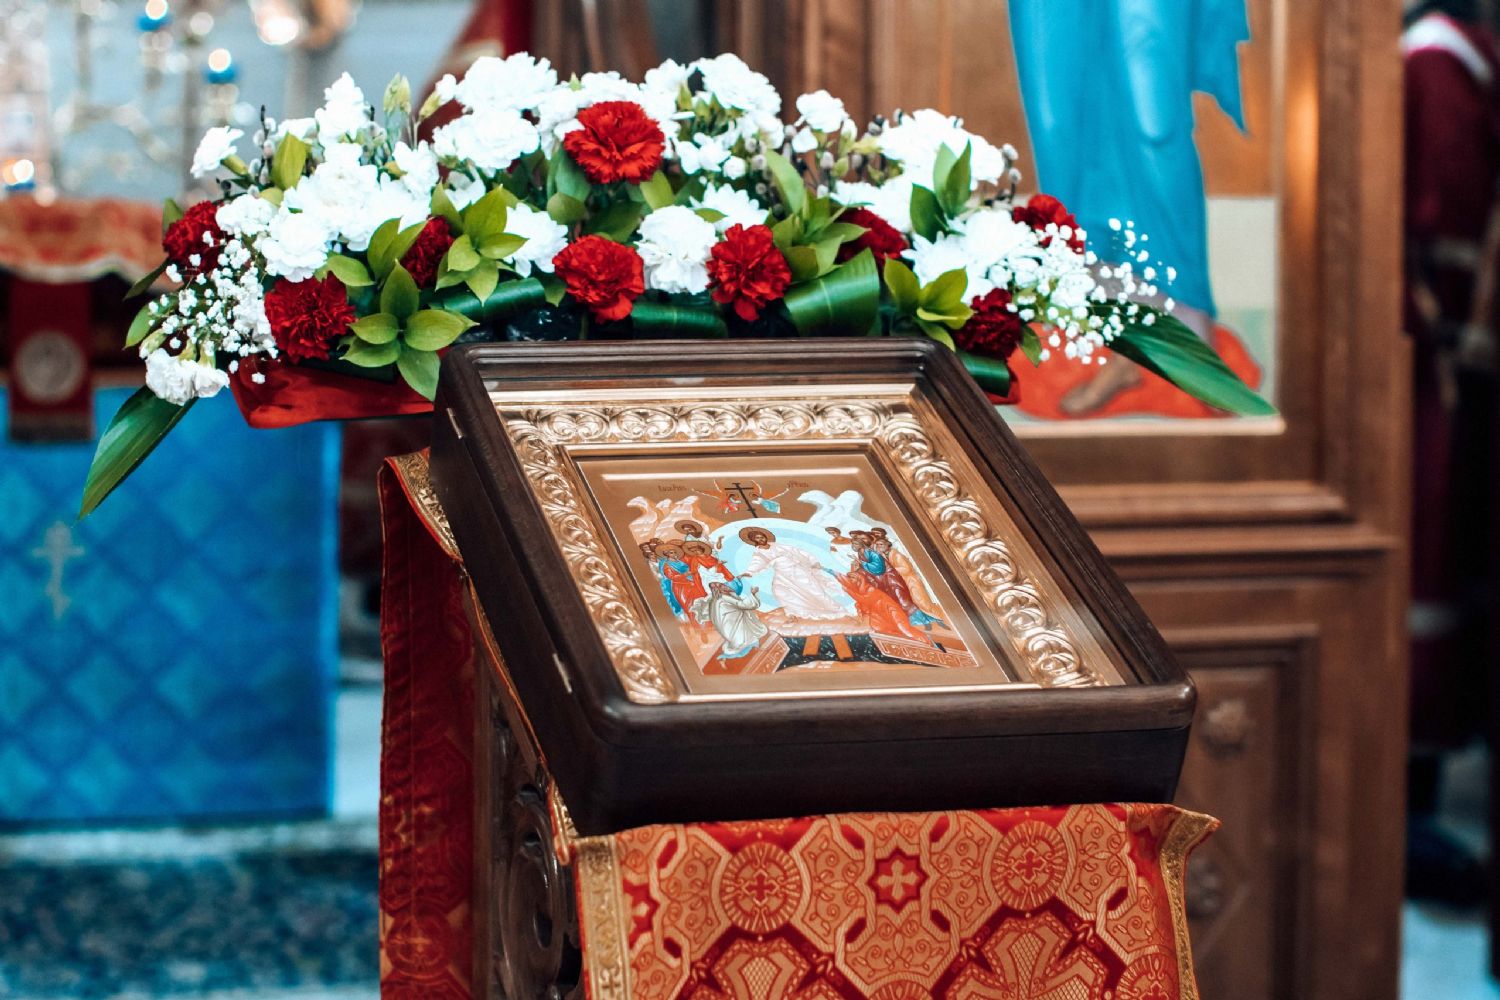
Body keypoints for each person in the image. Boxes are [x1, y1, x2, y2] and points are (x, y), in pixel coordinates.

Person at [1402, 0, 1500, 906]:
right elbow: (1442, 225)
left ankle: (1412, 811)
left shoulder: (1441, 60)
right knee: (1424, 565)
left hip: (1437, 352)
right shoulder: (1441, 62)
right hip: (1430, 351)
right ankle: (1405, 813)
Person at [738, 526, 849, 622]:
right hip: (782, 574)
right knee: (780, 592)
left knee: (814, 590)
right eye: (757, 538)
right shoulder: (759, 553)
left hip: (797, 570)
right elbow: (756, 563)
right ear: (754, 540)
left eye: (761, 536)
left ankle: (837, 610)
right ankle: (792, 614)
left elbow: (798, 552)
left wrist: (812, 561)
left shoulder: (779, 546)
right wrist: (748, 573)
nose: (761, 539)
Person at [691, 582, 770, 660]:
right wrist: (753, 594)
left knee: (744, 641)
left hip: (728, 628)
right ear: (719, 589)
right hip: (735, 625)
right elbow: (742, 604)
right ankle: (755, 652)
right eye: (721, 586)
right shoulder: (724, 597)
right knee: (746, 640)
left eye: (722, 584)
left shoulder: (715, 600)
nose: (725, 586)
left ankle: (752, 650)